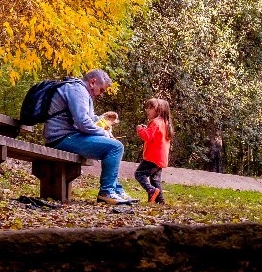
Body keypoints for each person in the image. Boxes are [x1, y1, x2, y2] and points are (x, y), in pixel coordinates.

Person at [45, 69, 131, 204]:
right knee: (115, 147)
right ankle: (107, 192)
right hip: (61, 138)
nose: (101, 94)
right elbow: (83, 123)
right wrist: (105, 133)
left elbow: (89, 119)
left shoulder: (81, 91)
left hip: (68, 136)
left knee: (114, 146)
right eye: (101, 90)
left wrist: (103, 119)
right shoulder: (77, 90)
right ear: (92, 82)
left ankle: (116, 190)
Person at [135, 98, 172, 204]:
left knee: (139, 174)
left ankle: (151, 190)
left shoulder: (156, 122)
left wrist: (140, 129)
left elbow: (147, 136)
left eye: (151, 108)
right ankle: (160, 201)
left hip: (152, 157)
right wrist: (147, 128)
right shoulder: (165, 123)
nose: (148, 110)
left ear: (159, 110)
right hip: (161, 158)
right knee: (155, 180)